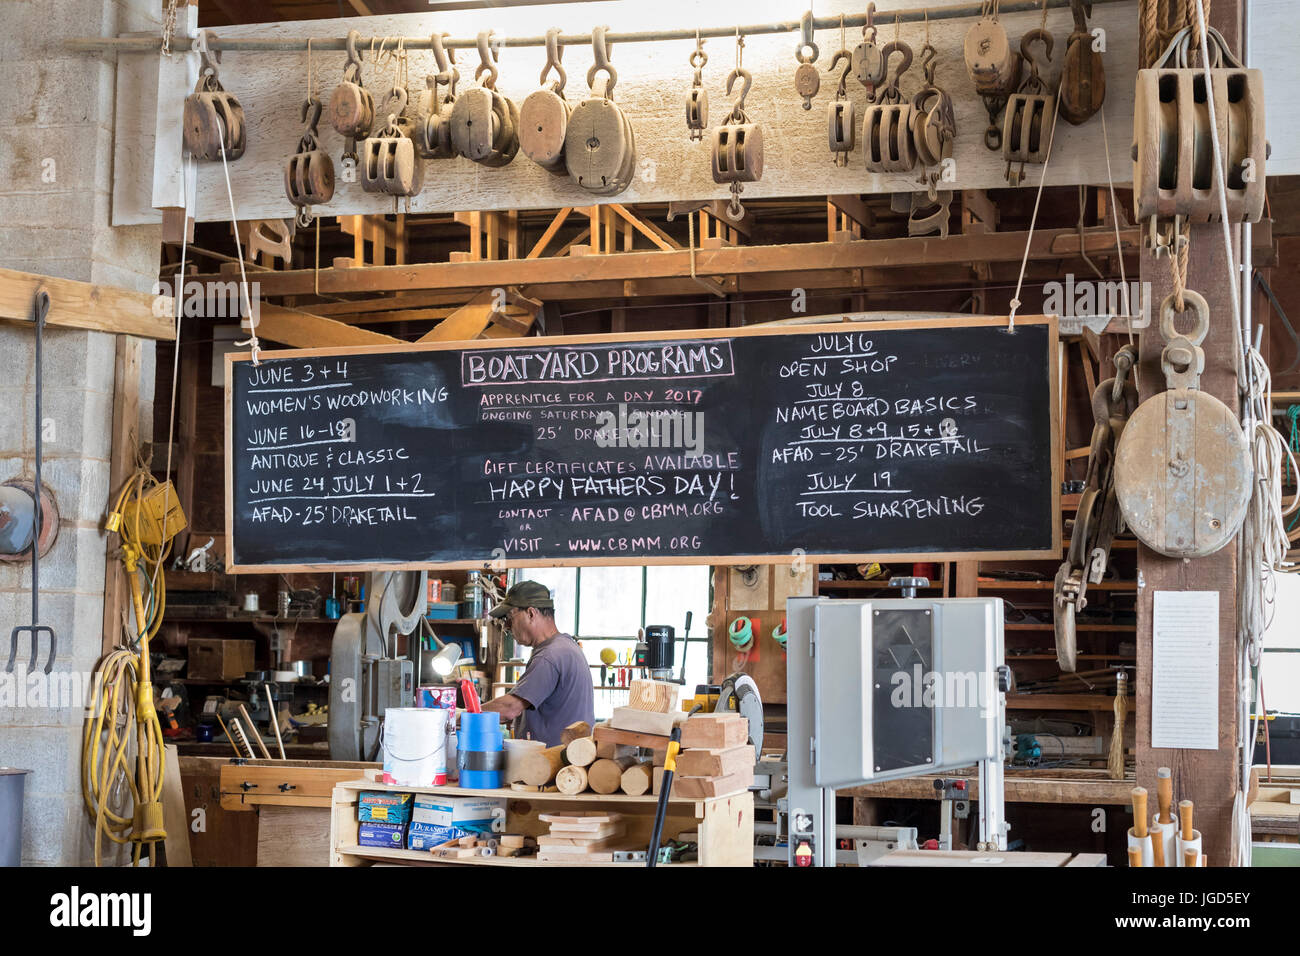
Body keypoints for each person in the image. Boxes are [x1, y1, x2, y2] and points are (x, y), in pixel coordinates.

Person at [480, 581, 595, 747]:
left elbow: (510, 708)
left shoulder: (549, 656)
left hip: (553, 765)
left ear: (531, 613)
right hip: (567, 759)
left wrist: (461, 716)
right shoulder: (566, 646)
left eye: (509, 618)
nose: (506, 627)